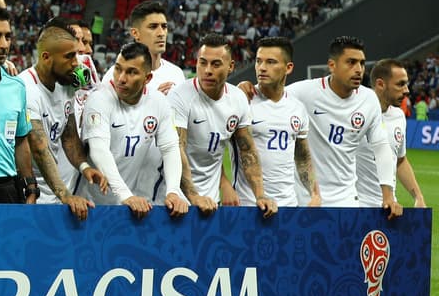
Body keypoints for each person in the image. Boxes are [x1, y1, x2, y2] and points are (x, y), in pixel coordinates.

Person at [0, 6, 90, 218]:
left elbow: (22, 141)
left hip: (8, 189)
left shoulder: (16, 86)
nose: (4, 44)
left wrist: (30, 187)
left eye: (8, 36)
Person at [286, 36, 401, 217]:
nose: (358, 69)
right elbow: (269, 93)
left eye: (362, 64)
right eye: (351, 62)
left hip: (347, 199)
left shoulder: (368, 99)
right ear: (332, 65)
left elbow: (381, 147)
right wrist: (247, 88)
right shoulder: (304, 92)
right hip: (307, 199)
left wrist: (388, 195)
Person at [167, 34, 276, 217]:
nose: (207, 70)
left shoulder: (237, 99)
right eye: (202, 63)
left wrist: (260, 195)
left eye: (216, 64)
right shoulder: (179, 96)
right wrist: (194, 197)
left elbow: (247, 151)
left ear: (231, 67)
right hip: (176, 201)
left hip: (211, 202)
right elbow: (177, 149)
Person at [81, 42, 189, 219]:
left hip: (126, 207)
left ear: (147, 79)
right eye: (118, 69)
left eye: (131, 72)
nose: (121, 78)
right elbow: (99, 150)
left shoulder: (158, 102)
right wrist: (126, 195)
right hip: (90, 205)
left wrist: (173, 191)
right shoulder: (99, 99)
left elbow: (170, 148)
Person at [232, 37, 320, 207]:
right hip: (249, 206)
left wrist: (314, 194)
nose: (262, 68)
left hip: (287, 206)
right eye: (259, 61)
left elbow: (302, 157)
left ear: (289, 68)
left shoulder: (297, 109)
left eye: (271, 62)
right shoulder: (242, 100)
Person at [16, 24, 93, 217]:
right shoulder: (25, 88)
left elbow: (68, 135)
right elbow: (39, 148)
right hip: (27, 192)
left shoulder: (65, 83)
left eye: (76, 55)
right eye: (69, 56)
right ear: (46, 57)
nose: (76, 63)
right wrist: (65, 195)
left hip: (54, 190)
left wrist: (84, 167)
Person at [358, 59, 426, 209]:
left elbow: (400, 160)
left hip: (388, 207)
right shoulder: (354, 113)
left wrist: (418, 197)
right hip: (355, 208)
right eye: (400, 84)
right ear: (380, 84)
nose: (407, 90)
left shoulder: (398, 116)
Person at [102, 0, 184, 94]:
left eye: (164, 27)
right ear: (135, 33)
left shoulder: (177, 74)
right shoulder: (115, 77)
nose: (161, 33)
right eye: (153, 27)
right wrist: (152, 102)